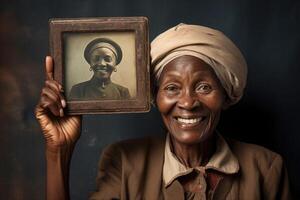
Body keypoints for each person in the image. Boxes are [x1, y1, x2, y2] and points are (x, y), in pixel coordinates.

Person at [35, 24, 291, 199]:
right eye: (171, 87)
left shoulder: (265, 167)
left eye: (203, 86)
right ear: (155, 97)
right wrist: (58, 151)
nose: (188, 102)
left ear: (225, 95)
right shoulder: (125, 162)